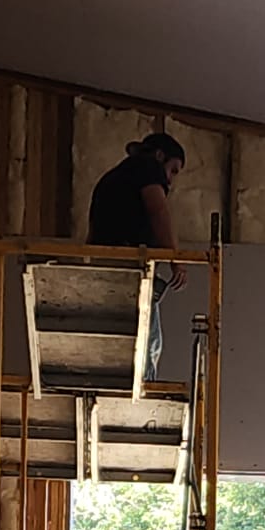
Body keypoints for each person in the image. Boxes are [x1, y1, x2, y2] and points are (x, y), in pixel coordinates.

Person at [86, 132, 188, 382]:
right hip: (127, 264)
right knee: (149, 343)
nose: (170, 180)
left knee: (134, 338)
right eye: (173, 170)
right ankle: (145, 387)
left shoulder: (115, 177)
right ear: (160, 156)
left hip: (106, 264)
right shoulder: (146, 168)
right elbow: (158, 211)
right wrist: (176, 260)